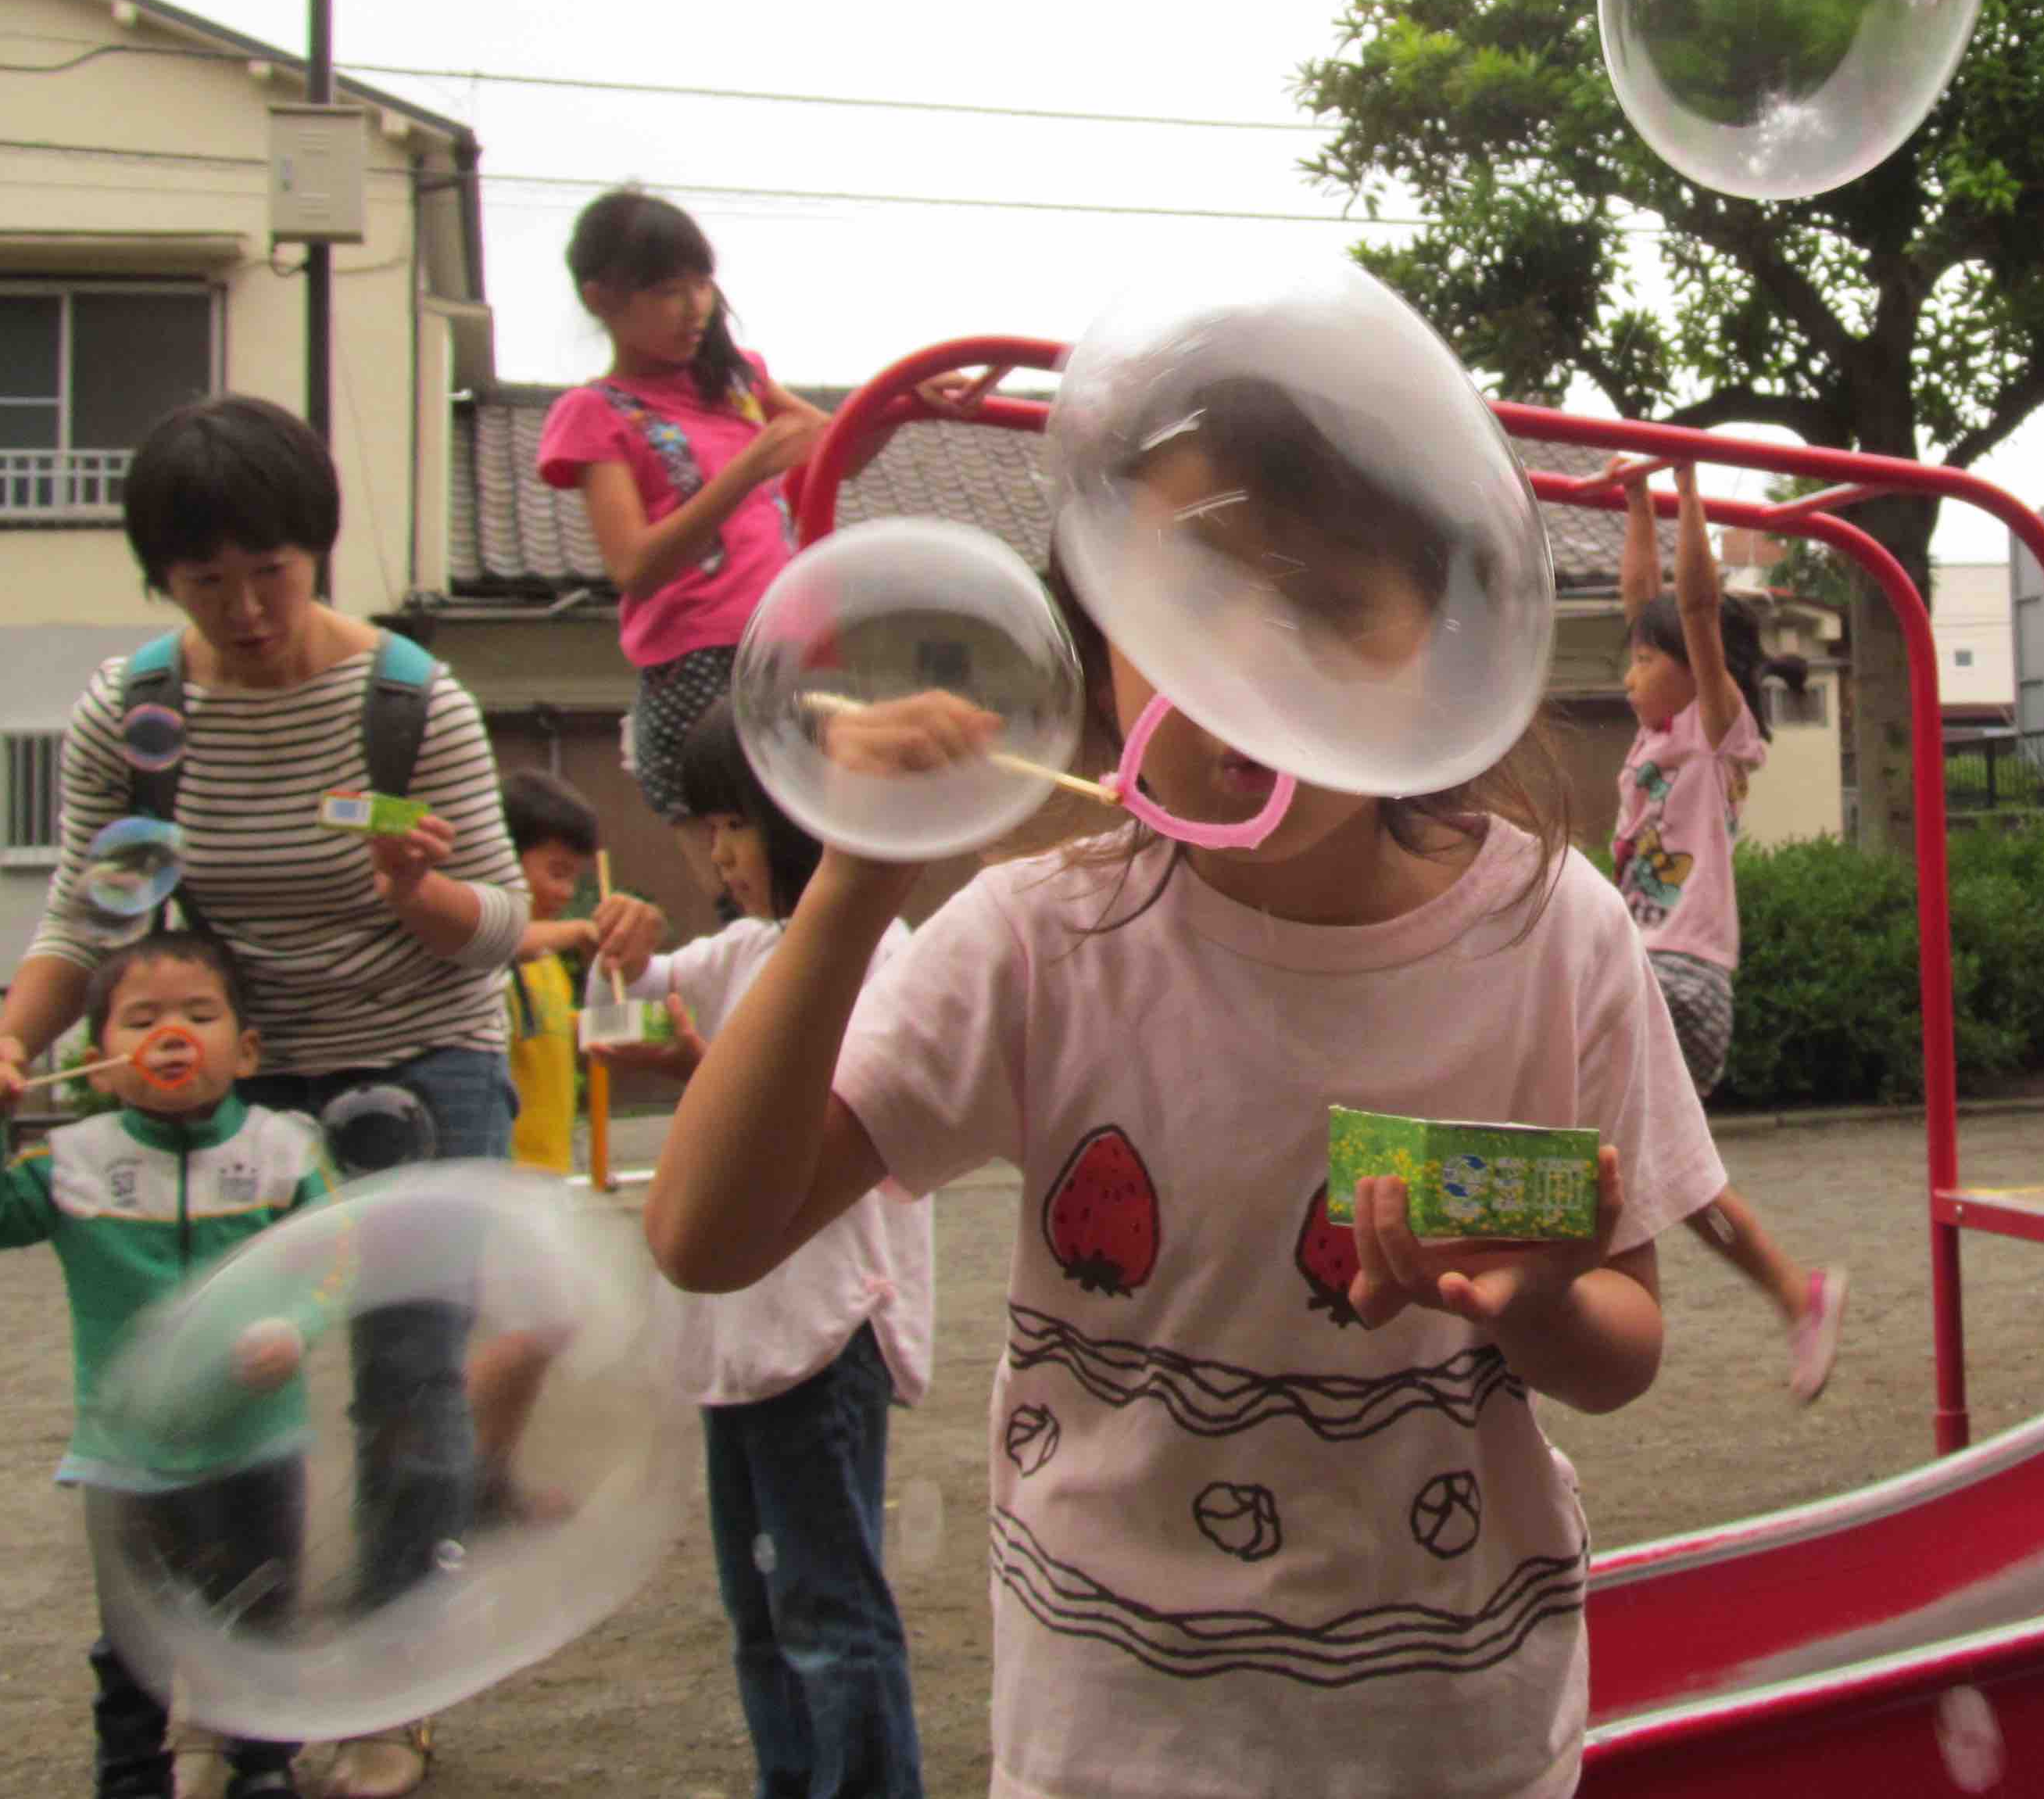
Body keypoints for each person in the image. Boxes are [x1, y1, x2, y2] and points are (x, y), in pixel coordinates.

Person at [641, 375, 1726, 1799]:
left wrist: (1536, 1308)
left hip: (1451, 1738)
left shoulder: (1556, 930)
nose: (1253, 673)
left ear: (1442, 653)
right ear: (1103, 657)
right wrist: (852, 878)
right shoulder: (1042, 937)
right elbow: (707, 1235)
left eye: (1330, 606)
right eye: (1189, 607)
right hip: (1113, 1741)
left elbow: (1625, 1342)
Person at [0, 393, 534, 1799]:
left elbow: (502, 924)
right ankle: (229, 1680)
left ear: (316, 550)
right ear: (164, 582)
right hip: (221, 1080)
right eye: (210, 583)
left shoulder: (404, 702)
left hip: (417, 1055)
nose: (250, 608)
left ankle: (386, 1687)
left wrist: (417, 891)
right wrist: (7, 1052)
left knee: (405, 1384)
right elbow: (88, 919)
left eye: (273, 571)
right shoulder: (140, 710)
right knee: (206, 1378)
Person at [589, 701, 934, 1799]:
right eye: (706, 827)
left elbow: (843, 1117)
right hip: (739, 1336)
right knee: (760, 1608)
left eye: (739, 821)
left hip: (824, 1328)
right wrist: (620, 941)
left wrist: (702, 1077)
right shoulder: (741, 951)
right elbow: (638, 989)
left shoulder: (875, 948)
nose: (720, 852)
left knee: (830, 1606)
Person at [0, 931, 332, 1799]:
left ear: (247, 1048)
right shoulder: (76, 1163)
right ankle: (131, 1776)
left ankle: (262, 1767)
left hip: (257, 1443)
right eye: (143, 1019)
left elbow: (338, 1261)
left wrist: (297, 1326)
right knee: (136, 1638)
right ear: (98, 1063)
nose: (173, 1034)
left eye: (200, 1014)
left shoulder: (283, 1151)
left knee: (262, 1615)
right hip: (127, 1451)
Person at [1614, 460, 1845, 1399]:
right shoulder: (1647, 741)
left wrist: (1685, 482)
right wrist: (1635, 501)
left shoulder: (1714, 736)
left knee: (1618, 1147)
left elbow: (1695, 614)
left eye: (1642, 660)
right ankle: (1798, 1296)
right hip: (1648, 972)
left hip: (1680, 975)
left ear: (1689, 676)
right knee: (1669, 1183)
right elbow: (1646, 600)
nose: (1629, 672)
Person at [537, 188, 822, 887]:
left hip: (780, 649)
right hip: (697, 673)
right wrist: (748, 466)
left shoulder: (737, 380)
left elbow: (826, 444)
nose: (695, 306)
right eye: (668, 290)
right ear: (601, 298)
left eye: (701, 283)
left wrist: (908, 401)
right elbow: (633, 564)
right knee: (754, 896)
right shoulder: (597, 412)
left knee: (818, 885)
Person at [497, 770, 662, 1176]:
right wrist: (575, 931)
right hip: (503, 1173)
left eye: (574, 876)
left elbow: (554, 1029)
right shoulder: (498, 952)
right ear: (503, 856)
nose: (568, 893)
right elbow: (497, 941)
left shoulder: (546, 960)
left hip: (549, 1170)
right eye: (557, 873)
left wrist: (635, 1025)